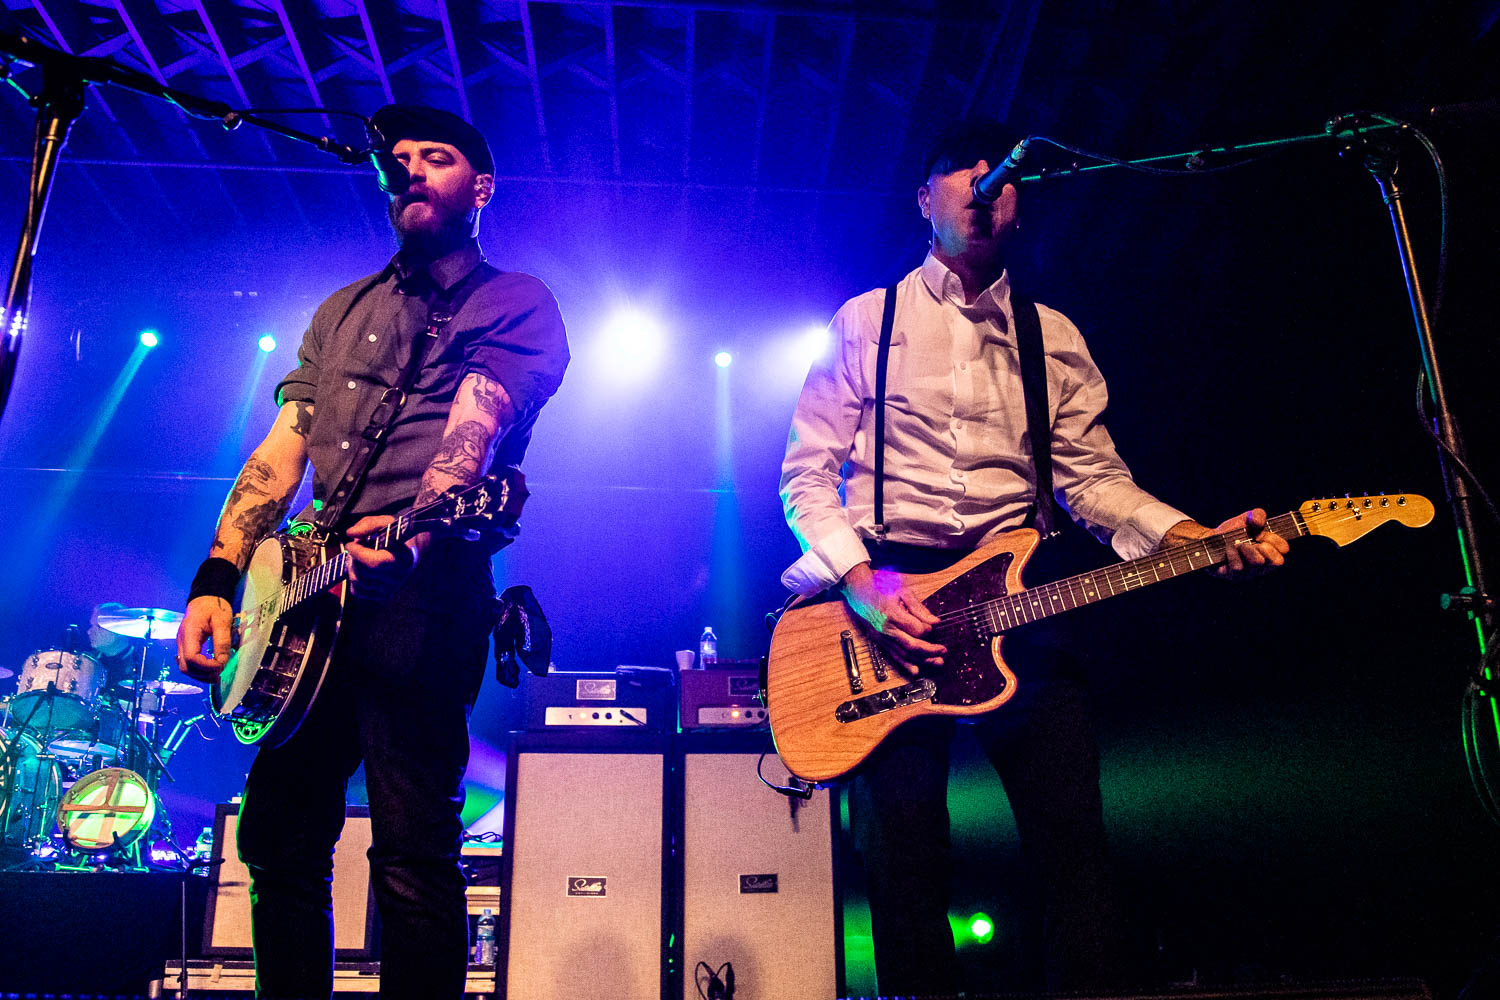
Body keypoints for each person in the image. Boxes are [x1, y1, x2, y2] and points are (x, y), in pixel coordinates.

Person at [778, 119, 1288, 995]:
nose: (984, 189)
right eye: (963, 175)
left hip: (1022, 590)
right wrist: (862, 584)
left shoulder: (1052, 335)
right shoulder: (866, 320)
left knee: (1075, 847)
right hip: (889, 599)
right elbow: (806, 474)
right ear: (923, 200)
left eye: (1004, 178)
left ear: (1023, 205)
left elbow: (1094, 482)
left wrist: (1189, 537)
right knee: (905, 859)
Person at [176, 105, 569, 1000]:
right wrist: (217, 577)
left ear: (482, 188)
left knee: (410, 854)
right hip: (307, 609)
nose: (412, 169)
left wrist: (425, 530)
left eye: (437, 157)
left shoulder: (516, 302)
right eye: (398, 159)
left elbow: (476, 430)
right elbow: (281, 453)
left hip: (424, 605)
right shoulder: (339, 308)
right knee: (276, 838)